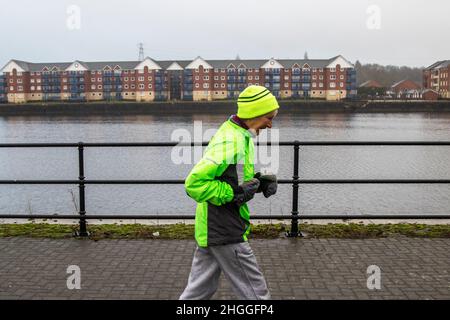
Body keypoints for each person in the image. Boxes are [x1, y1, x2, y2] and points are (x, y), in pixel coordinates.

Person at [179, 85, 279, 300]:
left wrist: (258, 183)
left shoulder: (238, 134)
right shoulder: (231, 141)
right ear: (253, 114)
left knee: (199, 292)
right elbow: (194, 183)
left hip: (213, 228)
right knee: (255, 293)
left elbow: (231, 177)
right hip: (225, 229)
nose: (270, 124)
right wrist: (235, 193)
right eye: (268, 118)